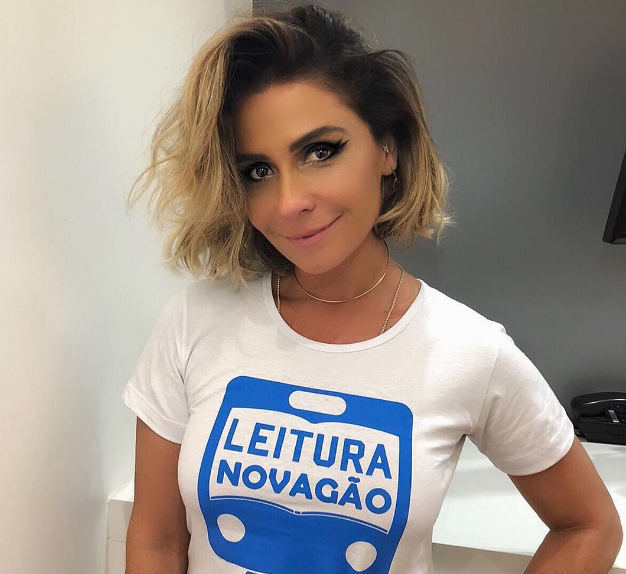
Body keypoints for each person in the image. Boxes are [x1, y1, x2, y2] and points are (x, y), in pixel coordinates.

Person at [121, 3, 622, 574]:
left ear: (387, 148)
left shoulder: (470, 352)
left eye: (320, 151)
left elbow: (591, 524)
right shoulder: (195, 321)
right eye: (257, 170)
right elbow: (158, 538)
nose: (290, 202)